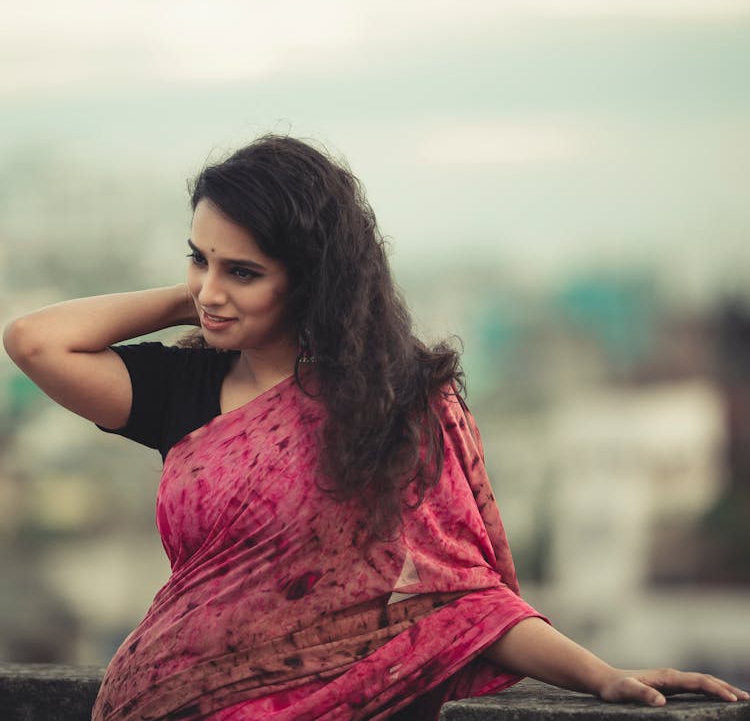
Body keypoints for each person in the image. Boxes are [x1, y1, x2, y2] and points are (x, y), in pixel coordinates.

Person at [3, 135, 746, 721]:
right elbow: (34, 341)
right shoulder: (188, 385)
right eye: (200, 259)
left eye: (245, 272)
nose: (212, 291)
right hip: (150, 703)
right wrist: (192, 294)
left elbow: (462, 601)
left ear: (312, 276)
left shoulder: (395, 403)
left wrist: (601, 676)